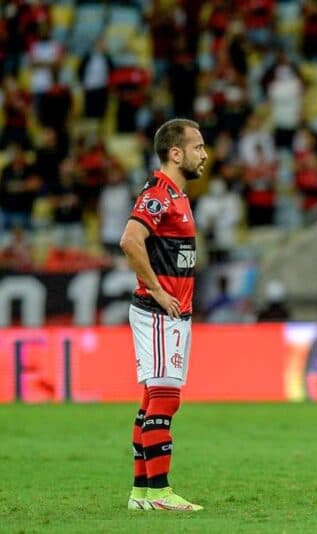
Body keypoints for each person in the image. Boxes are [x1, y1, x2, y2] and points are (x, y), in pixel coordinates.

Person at [119, 118, 207, 512]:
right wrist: (156, 289)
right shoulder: (158, 194)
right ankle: (160, 492)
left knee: (152, 399)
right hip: (158, 311)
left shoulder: (178, 196)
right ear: (175, 153)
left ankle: (141, 493)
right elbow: (130, 239)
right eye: (197, 147)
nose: (204, 154)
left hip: (173, 313)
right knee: (166, 400)